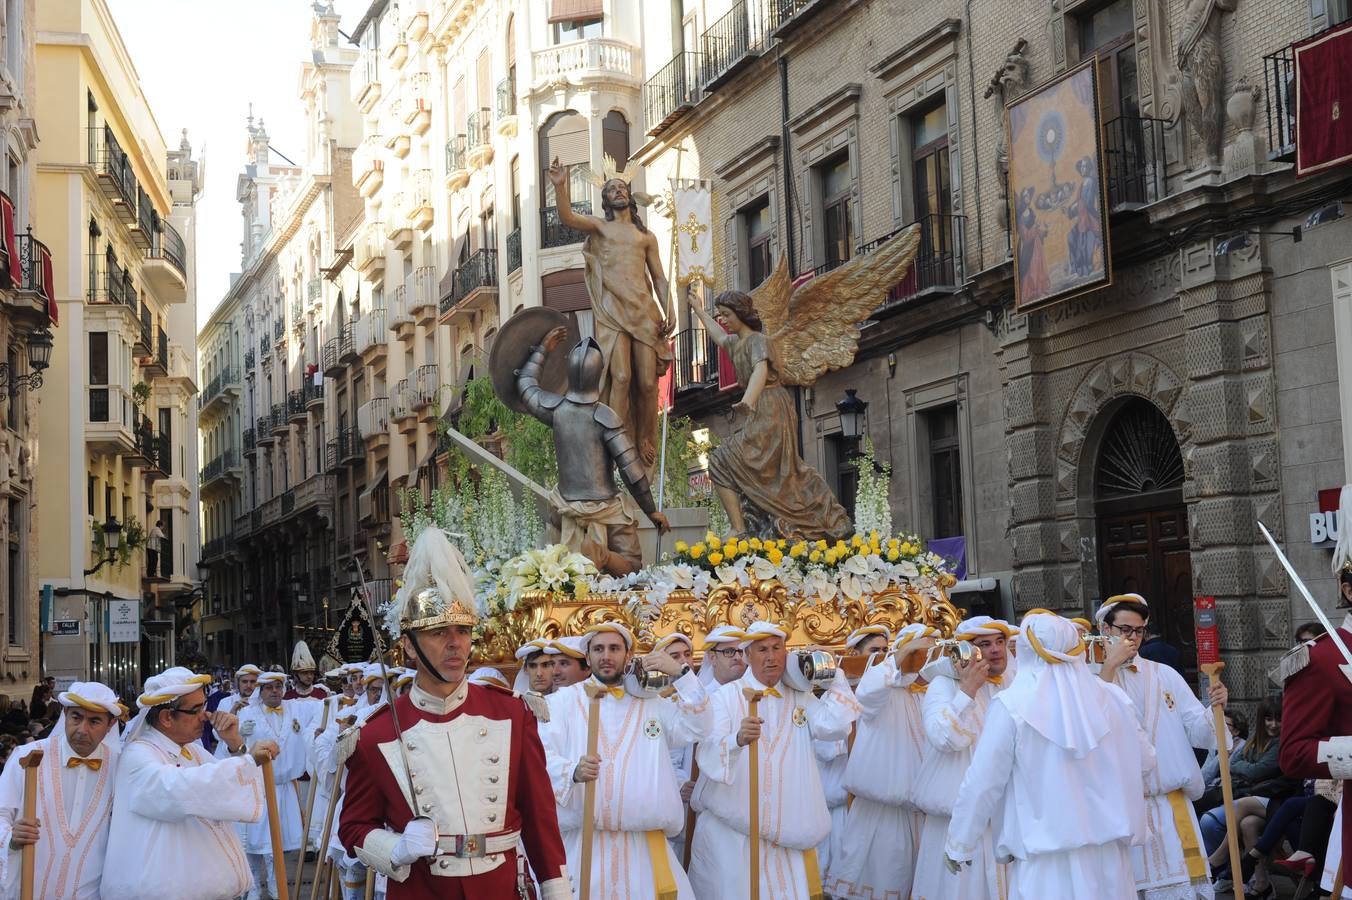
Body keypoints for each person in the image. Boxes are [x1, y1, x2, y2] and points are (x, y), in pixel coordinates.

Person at [337, 527, 569, 899]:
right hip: (421, 890)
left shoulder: (512, 714)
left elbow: (541, 821)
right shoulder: (374, 734)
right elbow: (353, 827)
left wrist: (558, 892)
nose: (455, 644)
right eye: (438, 632)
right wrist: (395, 848)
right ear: (408, 647)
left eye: (462, 631)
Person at [945, 614, 1151, 898]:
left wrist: (960, 842)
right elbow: (1146, 761)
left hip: (1046, 864)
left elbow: (982, 781)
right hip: (1109, 860)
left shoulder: (1011, 705)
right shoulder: (1114, 699)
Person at [688, 621, 860, 899]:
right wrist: (737, 740)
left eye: (777, 648)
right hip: (735, 835)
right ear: (747, 655)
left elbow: (834, 727)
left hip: (788, 834)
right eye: (762, 649)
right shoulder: (725, 697)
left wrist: (835, 675)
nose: (771, 657)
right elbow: (707, 751)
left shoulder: (800, 697)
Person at [542, 622, 709, 897]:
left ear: (628, 655)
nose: (606, 655)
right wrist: (572, 770)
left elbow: (699, 727)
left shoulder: (652, 703)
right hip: (585, 846)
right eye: (598, 649)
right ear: (587, 657)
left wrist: (681, 675)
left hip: (644, 850)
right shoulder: (562, 703)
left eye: (614, 648)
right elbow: (542, 756)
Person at [684, 290, 852, 540]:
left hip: (772, 407)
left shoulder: (758, 341)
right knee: (727, 462)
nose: (723, 320)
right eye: (720, 315)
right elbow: (718, 336)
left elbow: (760, 370)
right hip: (757, 409)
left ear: (741, 314)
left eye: (727, 315)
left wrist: (748, 400)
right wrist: (699, 310)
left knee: (762, 466)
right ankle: (740, 528)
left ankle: (750, 527)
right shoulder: (735, 343)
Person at [100, 666, 279, 900]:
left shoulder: (192, 751)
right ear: (166, 718)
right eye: (195, 710)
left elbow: (226, 790)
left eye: (204, 706)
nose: (205, 716)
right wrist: (250, 759)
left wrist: (236, 744)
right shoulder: (138, 754)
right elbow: (178, 789)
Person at [1096, 592, 1228, 899]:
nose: (1133, 637)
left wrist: (1215, 710)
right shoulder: (1088, 678)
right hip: (1120, 813)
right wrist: (1107, 674)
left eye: (1139, 630)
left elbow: (1199, 730)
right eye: (1125, 630)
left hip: (1171, 810)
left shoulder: (1164, 675)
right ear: (1105, 629)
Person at [510, 325, 671, 575]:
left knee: (560, 575)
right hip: (607, 511)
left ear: (571, 373)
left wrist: (542, 350)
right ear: (598, 375)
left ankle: (587, 557)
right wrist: (652, 511)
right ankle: (601, 555)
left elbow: (526, 385)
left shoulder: (555, 410)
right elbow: (632, 471)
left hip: (564, 508)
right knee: (632, 566)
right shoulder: (605, 417)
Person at [546, 156, 673, 470]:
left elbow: (658, 277)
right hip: (614, 312)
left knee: (646, 384)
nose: (618, 191)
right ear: (605, 200)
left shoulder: (646, 237)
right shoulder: (600, 227)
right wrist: (561, 187)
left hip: (644, 313)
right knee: (620, 376)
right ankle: (615, 443)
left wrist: (669, 309)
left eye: (622, 187)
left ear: (629, 196)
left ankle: (645, 439)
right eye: (611, 189)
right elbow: (568, 218)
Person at [825, 624, 938, 899]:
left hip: (921, 813)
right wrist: (900, 656)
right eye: (921, 653)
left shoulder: (927, 692)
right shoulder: (882, 688)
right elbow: (868, 693)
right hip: (882, 812)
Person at [911, 615, 1018, 899]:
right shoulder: (943, 686)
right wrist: (968, 690)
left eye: (1000, 642)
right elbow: (943, 738)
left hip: (1002, 819)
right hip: (955, 822)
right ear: (965, 653)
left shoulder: (1012, 682)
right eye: (985, 644)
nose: (996, 650)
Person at [0, 682, 122, 899]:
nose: (83, 730)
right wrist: (11, 836)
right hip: (28, 890)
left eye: (94, 721)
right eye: (76, 717)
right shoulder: (26, 757)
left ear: (111, 725)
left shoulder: (120, 767)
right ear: (65, 713)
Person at [221, 670, 320, 900]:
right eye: (269, 687)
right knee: (254, 845)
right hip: (256, 788)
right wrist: (237, 736)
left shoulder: (296, 708)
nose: (275, 691)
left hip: (283, 789)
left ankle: (278, 893)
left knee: (277, 847)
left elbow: (326, 706)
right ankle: (253, 891)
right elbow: (231, 752)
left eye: (278, 686)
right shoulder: (247, 713)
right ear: (261, 691)